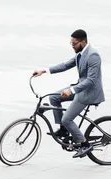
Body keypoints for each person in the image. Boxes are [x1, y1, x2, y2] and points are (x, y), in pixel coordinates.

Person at [32, 29, 105, 158]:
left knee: (67, 119)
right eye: (71, 44)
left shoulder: (93, 55)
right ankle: (64, 130)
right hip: (80, 88)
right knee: (54, 97)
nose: (72, 46)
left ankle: (84, 144)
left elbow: (91, 80)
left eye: (74, 44)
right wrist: (44, 70)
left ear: (83, 42)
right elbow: (65, 65)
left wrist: (71, 90)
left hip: (89, 92)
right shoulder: (80, 53)